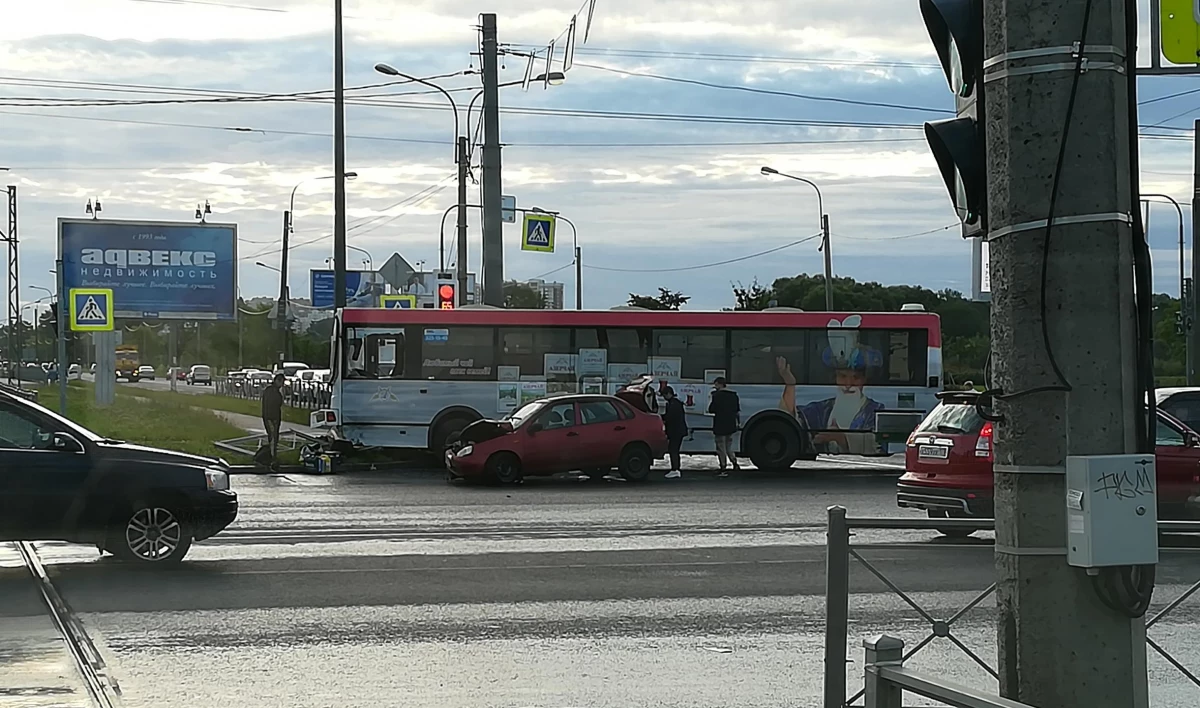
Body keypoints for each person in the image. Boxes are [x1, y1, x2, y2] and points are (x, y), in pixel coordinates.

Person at [776, 342, 885, 455]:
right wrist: (790, 385)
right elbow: (789, 420)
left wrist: (841, 438)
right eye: (842, 376)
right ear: (835, 378)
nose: (848, 384)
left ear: (864, 380)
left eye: (856, 378)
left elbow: (878, 444)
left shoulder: (874, 409)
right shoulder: (821, 409)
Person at [708, 377, 741, 477]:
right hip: (730, 424)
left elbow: (711, 409)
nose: (715, 387)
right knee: (728, 445)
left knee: (720, 446)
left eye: (716, 384)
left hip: (720, 424)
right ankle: (734, 463)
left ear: (720, 384)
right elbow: (737, 411)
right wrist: (738, 423)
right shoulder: (733, 395)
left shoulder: (716, 396)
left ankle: (723, 466)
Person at [660, 386, 688, 479]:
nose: (664, 397)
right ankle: (675, 469)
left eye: (664, 395)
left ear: (668, 394)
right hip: (678, 431)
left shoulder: (673, 404)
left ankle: (675, 469)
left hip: (675, 431)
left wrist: (660, 417)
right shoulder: (676, 403)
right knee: (674, 450)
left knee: (673, 450)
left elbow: (670, 417)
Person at [260, 373, 285, 470]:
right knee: (273, 438)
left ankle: (272, 456)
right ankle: (272, 457)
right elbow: (275, 404)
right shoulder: (273, 391)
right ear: (277, 381)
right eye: (281, 382)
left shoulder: (270, 390)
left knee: (273, 438)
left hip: (271, 417)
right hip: (271, 417)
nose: (282, 384)